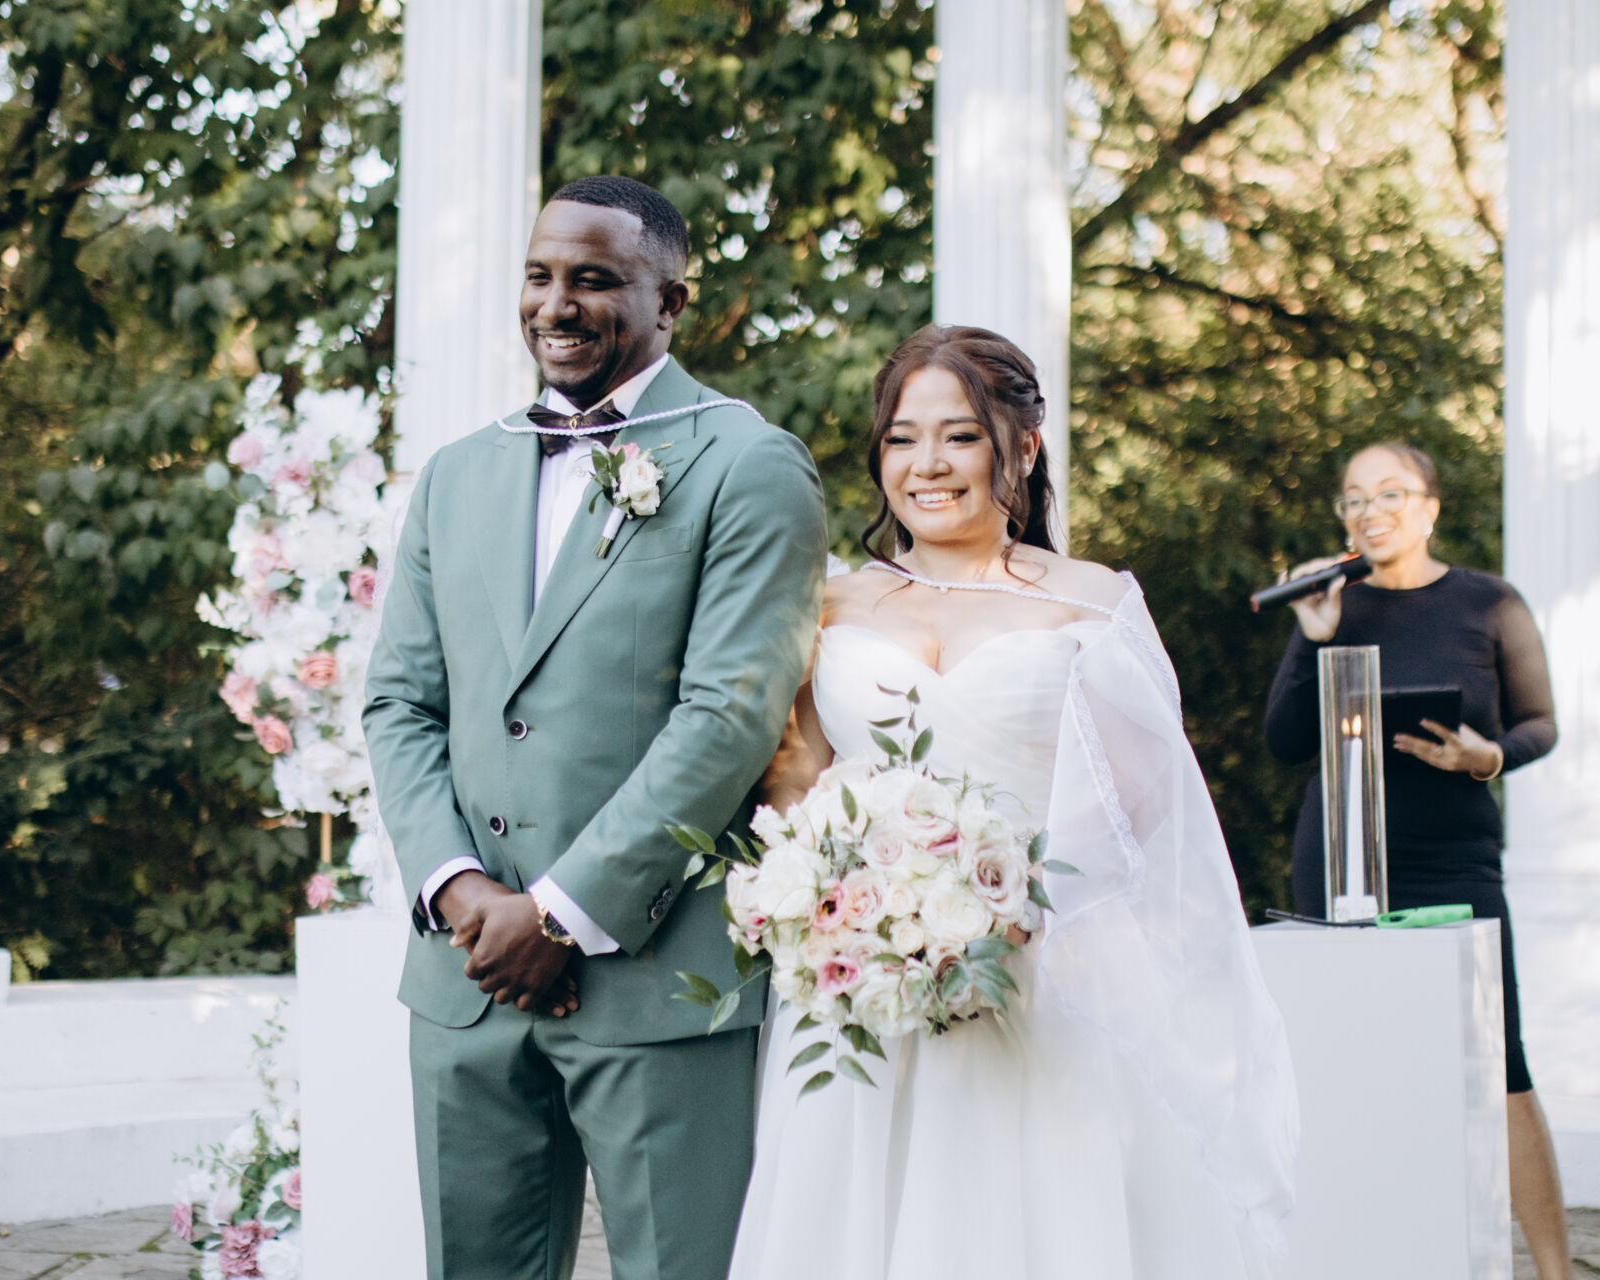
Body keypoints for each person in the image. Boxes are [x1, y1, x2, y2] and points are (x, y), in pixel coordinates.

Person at [730, 324, 1298, 1279]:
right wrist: (836, 904)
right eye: (902, 438)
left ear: (1023, 448)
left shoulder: (1092, 600)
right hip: (863, 983)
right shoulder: (830, 602)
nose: (927, 464)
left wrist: (1004, 906)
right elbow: (798, 776)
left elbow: (1143, 800)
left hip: (1044, 970)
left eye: (959, 435)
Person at [362, 174, 827, 1280]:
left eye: (595, 279)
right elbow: (400, 702)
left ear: (671, 302)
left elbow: (730, 714)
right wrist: (464, 895)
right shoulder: (456, 474)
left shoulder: (748, 463)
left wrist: (559, 915)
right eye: (539, 276)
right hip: (467, 976)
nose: (556, 304)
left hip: (659, 977)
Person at [1263, 441, 1570, 1280]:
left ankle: (1555, 1271)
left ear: (1429, 507)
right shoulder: (1332, 606)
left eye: (1390, 494)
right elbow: (1284, 742)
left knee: (1501, 1063)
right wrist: (1313, 637)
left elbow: (1540, 723)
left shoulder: (1488, 602)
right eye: (1354, 498)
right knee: (1348, 1058)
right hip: (1342, 860)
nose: (1370, 511)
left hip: (1456, 857)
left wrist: (1488, 756)